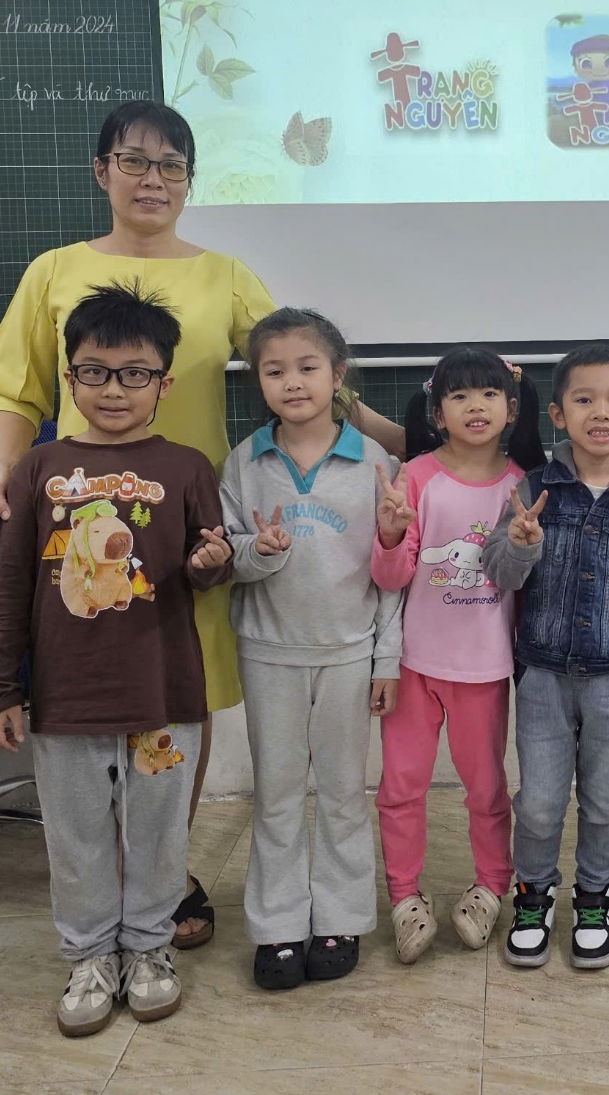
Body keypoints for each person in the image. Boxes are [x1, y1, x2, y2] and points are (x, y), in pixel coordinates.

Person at [0, 100, 403, 947]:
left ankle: (162, 869)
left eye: (172, 166)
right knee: (89, 692)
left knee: (185, 694)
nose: (153, 180)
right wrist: (3, 466)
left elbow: (296, 368)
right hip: (80, 526)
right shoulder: (53, 269)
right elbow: (18, 387)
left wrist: (401, 440)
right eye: (134, 162)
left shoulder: (226, 273)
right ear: (101, 171)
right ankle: (115, 880)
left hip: (198, 527)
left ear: (190, 181)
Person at [0, 282, 232, 1036]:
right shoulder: (40, 468)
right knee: (77, 834)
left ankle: (150, 949)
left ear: (164, 382)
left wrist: (214, 559)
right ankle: (89, 954)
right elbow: (12, 583)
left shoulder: (187, 467)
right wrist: (1, 689)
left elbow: (205, 568)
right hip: (64, 699)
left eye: (133, 372)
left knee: (159, 831)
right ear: (69, 375)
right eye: (94, 370)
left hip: (163, 694)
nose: (113, 388)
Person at [219, 309, 403, 990]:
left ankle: (341, 916)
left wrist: (386, 658)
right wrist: (258, 553)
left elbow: (393, 573)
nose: (291, 381)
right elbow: (228, 557)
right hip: (268, 652)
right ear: (258, 381)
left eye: (306, 367)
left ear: (338, 377)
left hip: (350, 653)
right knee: (274, 795)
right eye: (274, 370)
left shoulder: (377, 463)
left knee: (345, 793)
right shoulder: (244, 462)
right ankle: (276, 926)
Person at [482, 345, 609, 971]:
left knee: (603, 798)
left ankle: (595, 895)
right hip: (542, 672)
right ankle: (533, 893)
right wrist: (520, 545)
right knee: (538, 801)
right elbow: (499, 575)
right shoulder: (532, 489)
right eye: (584, 399)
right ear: (559, 416)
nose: (602, 412)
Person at [370, 347, 546, 963]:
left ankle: (491, 888)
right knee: (400, 787)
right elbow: (392, 578)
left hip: (486, 668)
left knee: (487, 789)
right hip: (416, 665)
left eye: (490, 394)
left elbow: (522, 580)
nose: (476, 406)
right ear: (437, 411)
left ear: (512, 407)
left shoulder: (524, 483)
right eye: (460, 395)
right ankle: (403, 897)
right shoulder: (414, 476)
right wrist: (391, 533)